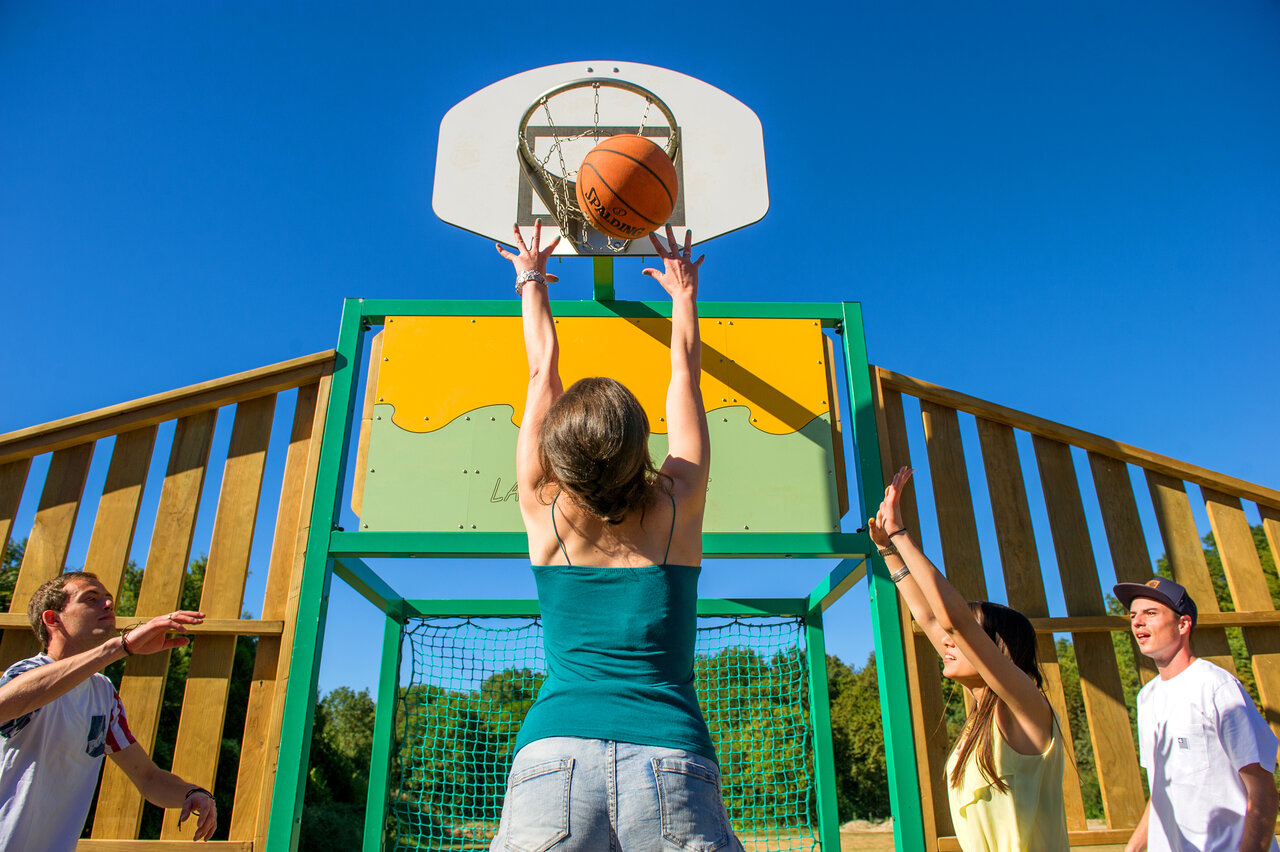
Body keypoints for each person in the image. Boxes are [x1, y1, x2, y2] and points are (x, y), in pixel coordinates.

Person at [489, 221, 742, 851]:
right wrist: (683, 295)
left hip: (553, 753)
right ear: (640, 442)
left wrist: (532, 282)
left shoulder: (544, 506)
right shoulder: (676, 506)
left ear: (556, 455)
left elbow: (540, 372)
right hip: (668, 750)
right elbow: (685, 377)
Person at [870, 466, 1068, 851]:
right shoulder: (980, 718)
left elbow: (952, 619)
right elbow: (929, 617)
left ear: (997, 650)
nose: (946, 641)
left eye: (961, 638)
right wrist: (886, 552)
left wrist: (900, 534)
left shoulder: (1025, 707)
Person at [0, 571, 218, 849]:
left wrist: (193, 793)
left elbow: (148, 778)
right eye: (90, 599)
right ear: (52, 619)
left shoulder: (103, 693)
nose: (107, 605)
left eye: (108, 600)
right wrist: (121, 646)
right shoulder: (26, 673)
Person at [1115, 576, 1279, 852]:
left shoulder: (1217, 687)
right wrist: (1133, 848)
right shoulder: (1147, 697)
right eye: (1133, 615)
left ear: (1183, 624)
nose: (1137, 622)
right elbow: (1160, 791)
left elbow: (1262, 788)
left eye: (1150, 613)